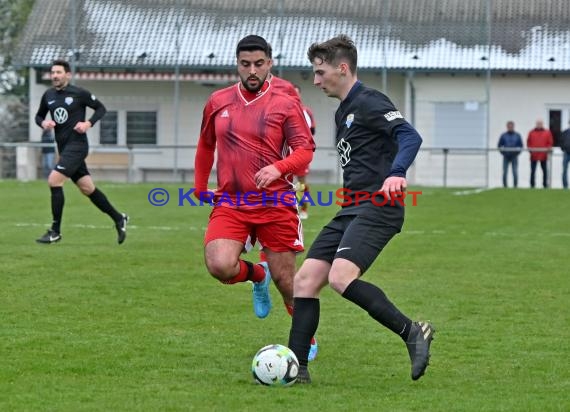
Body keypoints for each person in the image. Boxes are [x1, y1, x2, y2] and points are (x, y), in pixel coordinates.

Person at [287, 34, 434, 384]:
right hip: (351, 207)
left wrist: (396, 174)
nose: (316, 80)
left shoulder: (369, 101)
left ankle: (413, 332)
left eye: (320, 72)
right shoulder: (343, 111)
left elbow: (409, 136)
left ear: (342, 68)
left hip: (379, 206)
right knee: (305, 281)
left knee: (339, 277)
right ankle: (297, 369)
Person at [193, 35, 315, 339]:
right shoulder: (218, 101)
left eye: (259, 64)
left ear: (269, 64)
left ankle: (305, 339)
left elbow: (305, 149)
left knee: (287, 282)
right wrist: (199, 185)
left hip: (275, 202)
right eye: (245, 64)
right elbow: (206, 144)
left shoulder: (286, 103)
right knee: (220, 265)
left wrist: (279, 167)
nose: (252, 71)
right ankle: (257, 275)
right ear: (237, 64)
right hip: (232, 202)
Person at [34, 59, 128, 244]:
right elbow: (39, 116)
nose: (55, 76)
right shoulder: (48, 95)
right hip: (64, 148)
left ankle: (55, 231)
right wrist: (43, 123)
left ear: (68, 75)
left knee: (54, 180)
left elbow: (101, 108)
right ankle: (119, 218)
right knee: (87, 188)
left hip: (77, 146)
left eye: (59, 72)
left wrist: (88, 123)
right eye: (53, 72)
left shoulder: (79, 93)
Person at [292, 84, 316, 219]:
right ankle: (286, 208)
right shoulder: (280, 109)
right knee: (283, 182)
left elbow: (312, 131)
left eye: (296, 93)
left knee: (301, 183)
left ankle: (304, 210)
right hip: (284, 153)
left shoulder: (305, 111)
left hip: (300, 152)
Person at [527, 119, 554, 188]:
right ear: (536, 124)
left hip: (543, 155)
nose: (539, 125)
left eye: (540, 123)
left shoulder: (547, 132)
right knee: (533, 171)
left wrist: (547, 149)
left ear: (542, 124)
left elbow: (550, 142)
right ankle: (532, 185)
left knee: (545, 171)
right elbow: (528, 142)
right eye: (538, 123)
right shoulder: (531, 132)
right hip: (534, 155)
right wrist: (531, 151)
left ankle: (545, 185)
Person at [497, 121, 523, 188]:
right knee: (505, 172)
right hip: (506, 156)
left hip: (514, 156)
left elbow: (521, 146)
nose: (510, 127)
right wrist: (503, 153)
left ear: (513, 127)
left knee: (515, 171)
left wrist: (517, 153)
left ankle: (515, 186)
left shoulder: (517, 135)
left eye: (511, 126)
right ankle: (505, 186)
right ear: (507, 127)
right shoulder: (503, 135)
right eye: (509, 126)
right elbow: (499, 145)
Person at [561, 121, 570, 189]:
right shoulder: (565, 132)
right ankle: (565, 186)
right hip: (566, 153)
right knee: (564, 170)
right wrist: (563, 148)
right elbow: (561, 141)